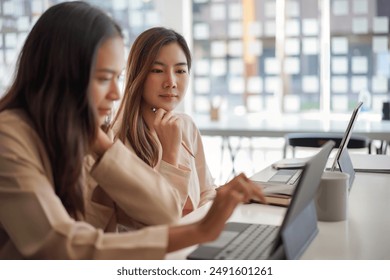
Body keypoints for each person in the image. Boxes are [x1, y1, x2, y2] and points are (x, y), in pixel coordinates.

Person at [0, 1, 265, 259]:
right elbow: (61, 247)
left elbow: (165, 212)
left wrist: (102, 146)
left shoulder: (84, 136)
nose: (116, 93)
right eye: (104, 79)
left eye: (117, 77)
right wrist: (198, 231)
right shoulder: (9, 136)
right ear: (61, 76)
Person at [114, 27, 238, 217]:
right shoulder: (118, 140)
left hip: (197, 235)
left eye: (180, 70)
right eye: (157, 70)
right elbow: (157, 218)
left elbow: (206, 192)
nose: (171, 82)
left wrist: (216, 219)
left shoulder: (185, 125)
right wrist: (170, 155)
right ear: (137, 75)